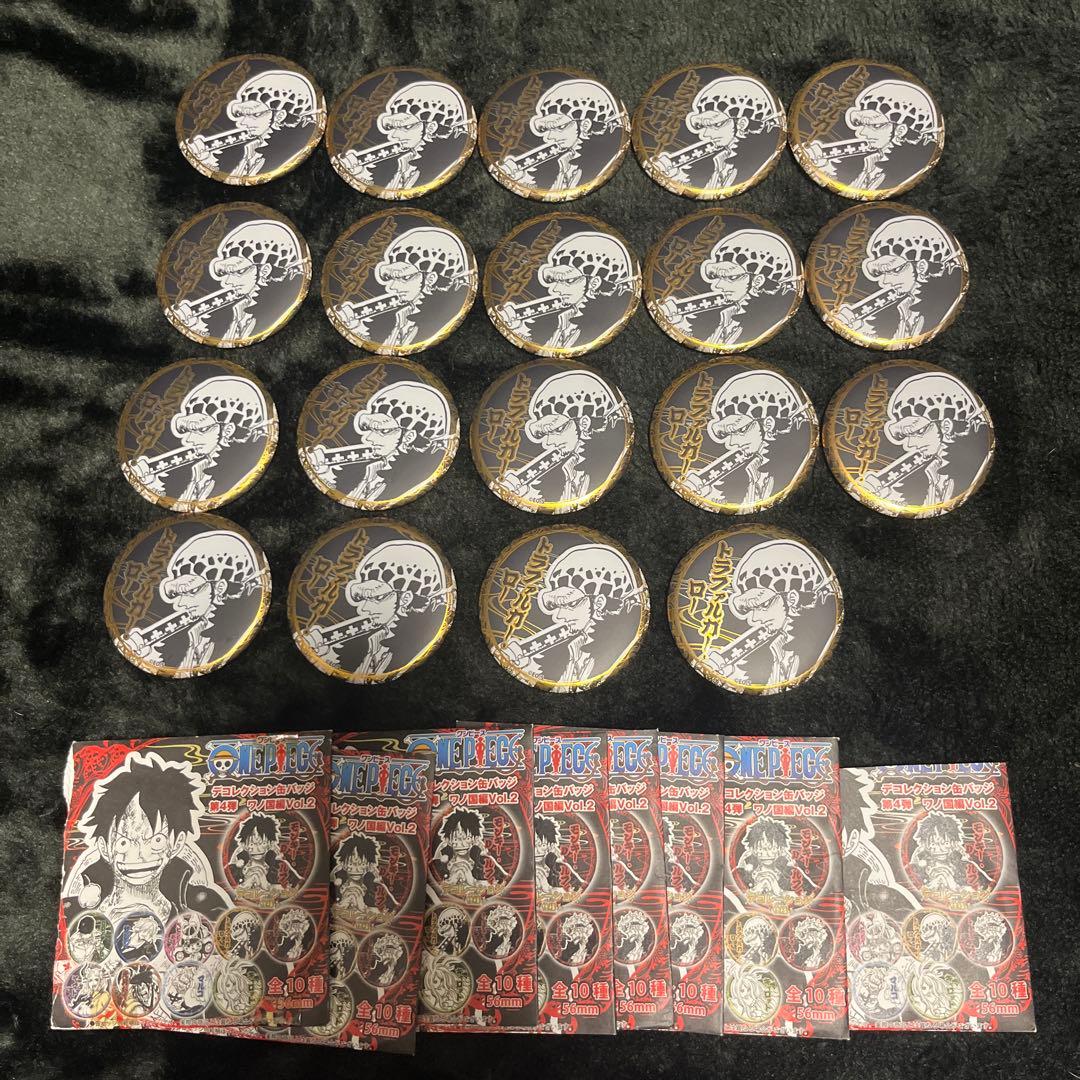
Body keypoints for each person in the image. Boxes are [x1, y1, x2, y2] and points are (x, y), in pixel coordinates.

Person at [62, 752, 227, 925]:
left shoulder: (205, 907)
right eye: (123, 843)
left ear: (177, 843)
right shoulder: (73, 912)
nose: (140, 855)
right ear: (104, 847)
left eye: (157, 841)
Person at [499, 542, 642, 687]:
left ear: (599, 602)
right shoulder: (575, 647)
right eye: (556, 606)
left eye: (569, 604)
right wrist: (528, 670)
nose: (558, 616)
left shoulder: (620, 644)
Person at [309, 539, 447, 679]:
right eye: (362, 598)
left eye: (376, 598)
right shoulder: (376, 640)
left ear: (405, 598)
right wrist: (327, 658)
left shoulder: (415, 645)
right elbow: (359, 677)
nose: (362, 609)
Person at [127, 375, 271, 509]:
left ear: (228, 430)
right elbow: (186, 508)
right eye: (186, 430)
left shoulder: (243, 470)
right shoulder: (200, 472)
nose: (188, 439)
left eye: (200, 430)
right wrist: (153, 487)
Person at [704, 539, 832, 686]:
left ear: (792, 598)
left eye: (763, 605)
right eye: (750, 609)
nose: (753, 618)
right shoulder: (778, 648)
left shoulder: (821, 641)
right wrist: (731, 677)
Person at [304, 381, 451, 505]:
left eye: (382, 431)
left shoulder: (413, 477)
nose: (367, 438)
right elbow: (353, 499)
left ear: (409, 436)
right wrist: (326, 477)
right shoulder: (373, 471)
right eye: (369, 429)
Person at [687, 368, 808, 509]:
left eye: (739, 430)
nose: (730, 443)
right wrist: (710, 496)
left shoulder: (797, 461)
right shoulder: (752, 469)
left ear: (768, 424)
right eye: (727, 435)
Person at [864, 371, 985, 512]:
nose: (909, 444)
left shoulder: (976, 465)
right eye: (905, 435)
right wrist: (887, 498)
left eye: (918, 432)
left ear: (946, 426)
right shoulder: (934, 471)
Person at [170, 219, 304, 345]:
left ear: (265, 270)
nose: (226, 282)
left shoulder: (278, 307)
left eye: (238, 272)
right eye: (224, 273)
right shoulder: (239, 310)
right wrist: (198, 330)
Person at [500, 369, 623, 505]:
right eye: (544, 434)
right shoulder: (569, 469)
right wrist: (527, 498)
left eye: (557, 430)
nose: (547, 442)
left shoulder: (613, 460)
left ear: (584, 423)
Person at [334, 226, 470, 348]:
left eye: (404, 277)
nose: (391, 287)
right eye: (390, 278)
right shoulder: (403, 316)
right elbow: (387, 350)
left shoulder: (443, 316)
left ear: (431, 279)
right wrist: (356, 329)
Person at [495, 232, 633, 352]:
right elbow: (549, 348)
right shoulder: (566, 319)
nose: (554, 289)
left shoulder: (605, 324)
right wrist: (518, 329)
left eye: (567, 281)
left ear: (594, 283)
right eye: (554, 280)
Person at [835, 215, 961, 342]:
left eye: (894, 270)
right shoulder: (906, 308)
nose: (884, 281)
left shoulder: (946, 305)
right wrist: (860, 329)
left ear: (921, 266)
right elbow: (897, 343)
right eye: (881, 273)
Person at [662, 230, 797, 347]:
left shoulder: (767, 321)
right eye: (716, 277)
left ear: (758, 281)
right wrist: (679, 324)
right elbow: (709, 343)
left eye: (730, 277)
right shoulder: (728, 316)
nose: (716, 285)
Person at [806, 79, 939, 192]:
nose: (861, 132)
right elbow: (855, 189)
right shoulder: (872, 164)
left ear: (901, 130)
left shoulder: (910, 170)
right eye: (861, 124)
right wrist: (823, 167)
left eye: (875, 125)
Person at [336, 80, 469, 192]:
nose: (393, 136)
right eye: (392, 128)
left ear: (431, 127)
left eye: (405, 127)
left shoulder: (446, 161)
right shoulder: (405, 163)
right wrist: (361, 175)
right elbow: (391, 191)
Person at [652, 75, 781, 190]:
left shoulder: (761, 156)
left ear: (742, 123)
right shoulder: (723, 159)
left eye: (715, 125)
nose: (704, 134)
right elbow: (712, 190)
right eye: (701, 126)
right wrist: (676, 177)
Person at [186, 68, 318, 178]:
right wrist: (208, 163)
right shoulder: (251, 151)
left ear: (279, 115)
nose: (241, 123)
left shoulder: (292, 150)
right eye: (241, 115)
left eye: (254, 114)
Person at [499, 78, 621, 191]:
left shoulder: (608, 156)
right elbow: (552, 192)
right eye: (546, 129)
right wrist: (522, 181)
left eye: (559, 127)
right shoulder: (564, 162)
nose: (548, 137)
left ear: (585, 125)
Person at [228, 813, 302, 897]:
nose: (257, 849)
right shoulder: (236, 868)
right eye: (252, 844)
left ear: (270, 843)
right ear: (244, 845)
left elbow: (296, 888)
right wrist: (245, 885)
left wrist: (267, 886)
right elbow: (226, 889)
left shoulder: (279, 867)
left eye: (263, 843)